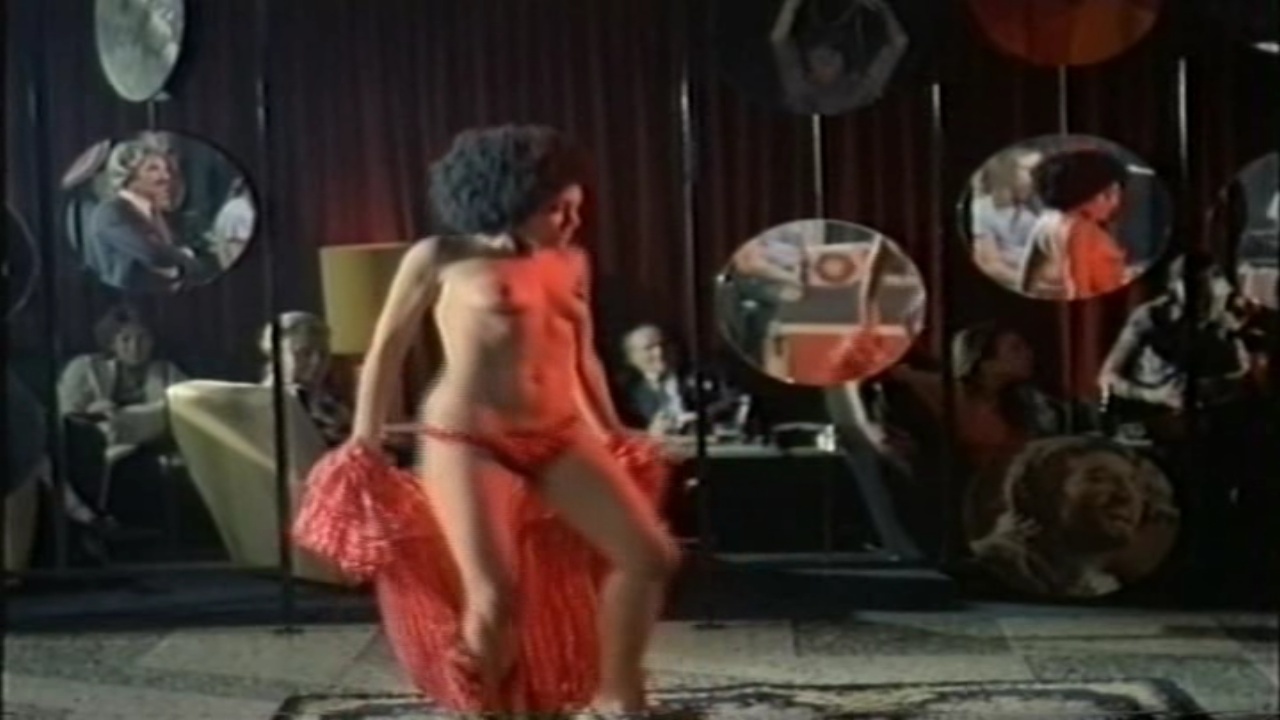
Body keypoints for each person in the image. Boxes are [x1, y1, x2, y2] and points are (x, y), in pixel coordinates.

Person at [297, 126, 679, 715]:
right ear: (512, 199)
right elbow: (388, 347)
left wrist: (612, 432)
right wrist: (364, 437)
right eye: (557, 209)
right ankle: (485, 709)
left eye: (576, 208)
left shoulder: (571, 260)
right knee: (495, 598)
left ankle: (619, 697)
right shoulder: (440, 256)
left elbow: (582, 357)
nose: (572, 221)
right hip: (468, 439)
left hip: (559, 436)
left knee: (650, 558)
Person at [969, 436, 1176, 598]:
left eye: (1133, 483)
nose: (1126, 495)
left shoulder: (1101, 585)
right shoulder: (993, 565)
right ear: (1042, 495)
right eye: (1099, 479)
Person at [82, 140, 203, 293]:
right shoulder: (111, 212)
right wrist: (186, 257)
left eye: (166, 169)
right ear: (128, 173)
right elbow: (155, 255)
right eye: (153, 168)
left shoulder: (155, 212)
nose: (166, 177)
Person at [1020, 149, 1130, 300]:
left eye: (1118, 193)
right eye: (1107, 195)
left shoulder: (1047, 219)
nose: (1115, 203)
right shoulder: (1080, 229)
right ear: (1081, 194)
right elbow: (1077, 288)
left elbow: (1027, 276)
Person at [259, 312, 351, 447]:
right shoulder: (261, 404)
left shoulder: (332, 405)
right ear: (277, 356)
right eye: (305, 353)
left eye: (323, 354)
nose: (316, 361)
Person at [969, 147, 1044, 288]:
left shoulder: (1046, 202)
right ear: (1008, 173)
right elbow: (989, 264)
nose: (1037, 176)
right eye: (1029, 170)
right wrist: (1033, 284)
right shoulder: (984, 207)